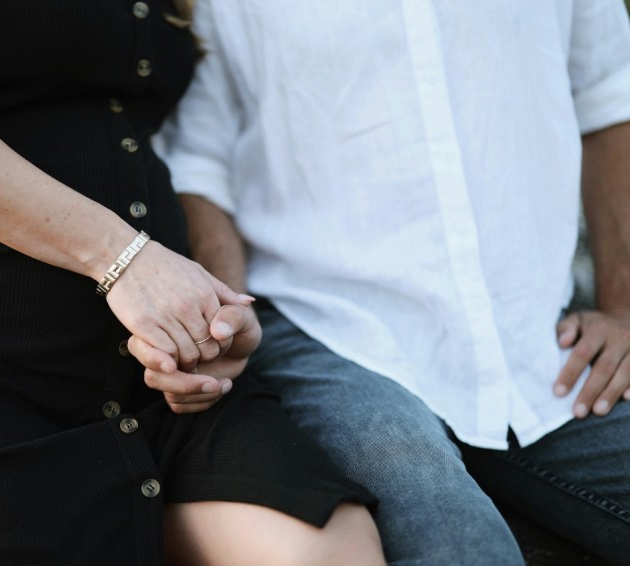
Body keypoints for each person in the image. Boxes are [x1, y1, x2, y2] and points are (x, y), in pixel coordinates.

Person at [0, 1, 386, 564]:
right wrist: (122, 258)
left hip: (164, 395)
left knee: (334, 547)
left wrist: (213, 314)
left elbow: (180, 159)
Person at [158, 0, 630, 563]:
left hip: (534, 343)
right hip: (331, 332)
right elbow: (199, 165)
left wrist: (622, 307)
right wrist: (227, 311)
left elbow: (610, 96)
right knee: (461, 547)